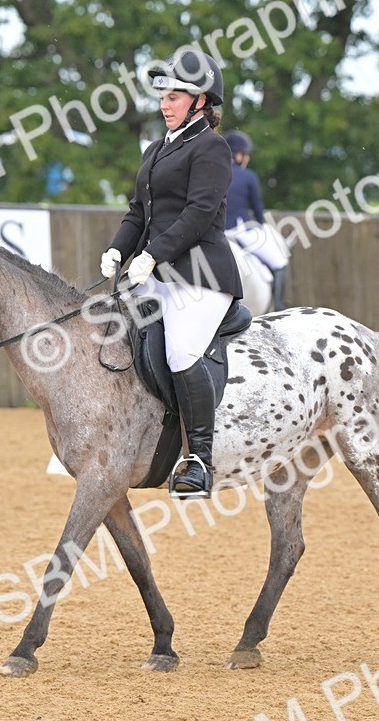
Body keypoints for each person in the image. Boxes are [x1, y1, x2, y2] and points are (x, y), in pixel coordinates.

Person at [100, 50, 243, 499]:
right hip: (156, 273)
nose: (165, 102)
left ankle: (199, 459)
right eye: (163, 94)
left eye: (176, 95)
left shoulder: (212, 148)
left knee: (182, 351)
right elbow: (138, 212)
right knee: (111, 332)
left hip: (201, 276)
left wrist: (153, 256)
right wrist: (119, 249)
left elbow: (201, 212)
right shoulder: (157, 148)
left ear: (201, 101)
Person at [222, 130, 290, 311]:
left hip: (216, 232)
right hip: (241, 231)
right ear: (237, 154)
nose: (247, 159)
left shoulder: (212, 174)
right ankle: (279, 306)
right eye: (245, 154)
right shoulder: (248, 176)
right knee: (279, 260)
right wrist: (262, 225)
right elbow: (258, 209)